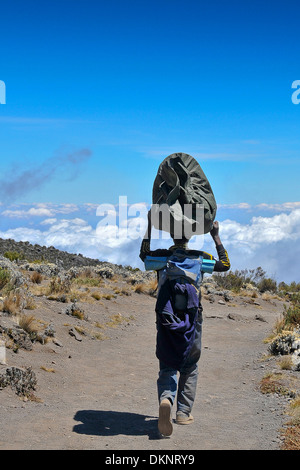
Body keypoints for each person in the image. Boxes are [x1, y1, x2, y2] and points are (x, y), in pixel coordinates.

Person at [139, 212, 230, 437]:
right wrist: (216, 236)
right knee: (190, 365)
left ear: (171, 234)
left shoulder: (161, 257)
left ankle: (166, 399)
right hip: (192, 320)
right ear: (191, 234)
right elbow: (226, 265)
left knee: (167, 361)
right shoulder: (201, 257)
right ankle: (183, 412)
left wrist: (150, 226)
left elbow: (143, 255)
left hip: (165, 318)